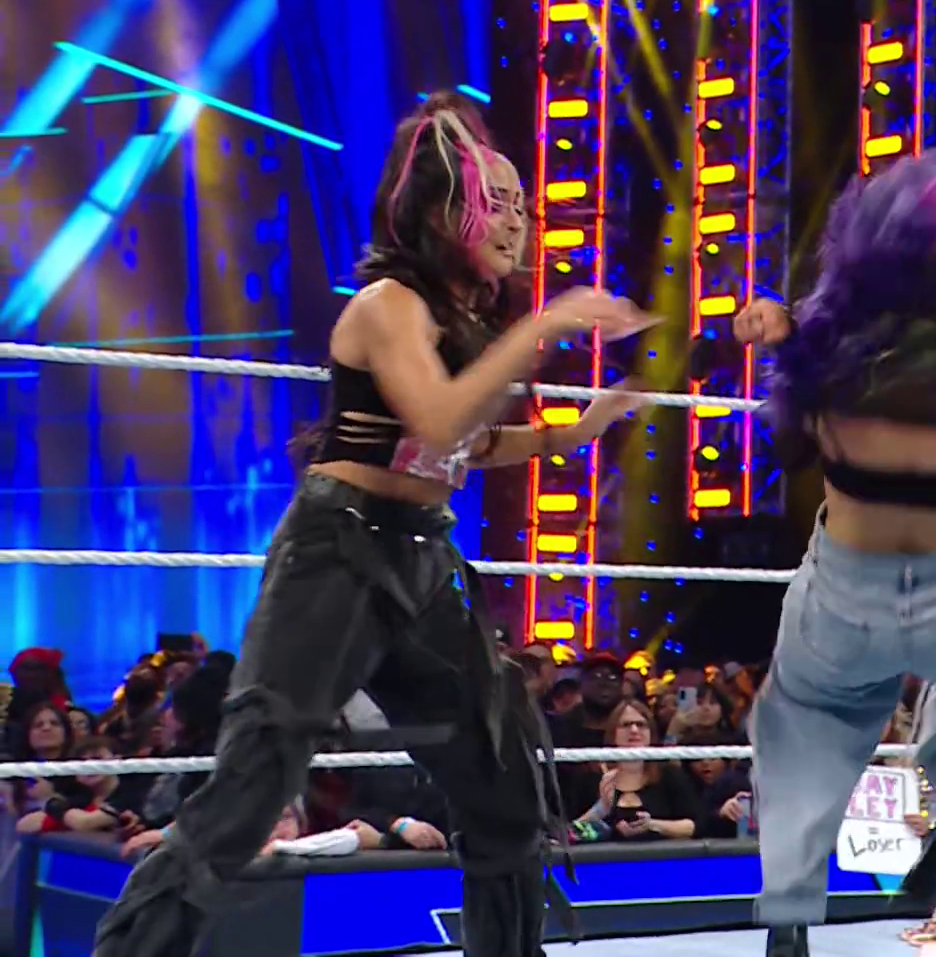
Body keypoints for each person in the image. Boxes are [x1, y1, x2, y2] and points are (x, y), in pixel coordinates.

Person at [91, 92, 658, 957]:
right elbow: (440, 417)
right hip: (337, 556)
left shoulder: (460, 321)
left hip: (422, 559)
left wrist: (571, 433)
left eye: (522, 205)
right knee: (250, 794)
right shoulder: (389, 304)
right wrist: (547, 324)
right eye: (497, 202)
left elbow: (455, 445)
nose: (517, 222)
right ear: (439, 208)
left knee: (505, 786)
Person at [732, 152, 936, 957]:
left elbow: (789, 448)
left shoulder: (828, 345)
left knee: (801, 718)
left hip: (848, 585)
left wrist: (788, 336)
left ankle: (788, 908)